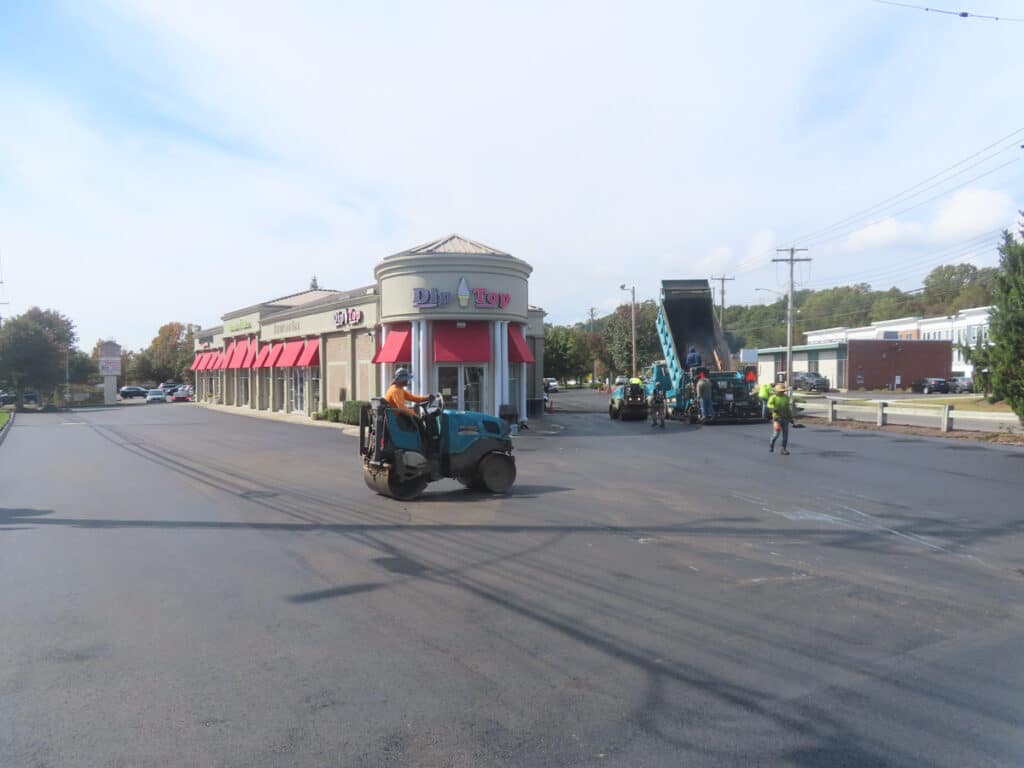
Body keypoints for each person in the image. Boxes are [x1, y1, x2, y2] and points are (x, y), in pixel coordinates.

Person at [767, 382, 793, 455]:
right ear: (776, 391)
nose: (781, 392)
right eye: (780, 391)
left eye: (782, 391)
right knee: (776, 433)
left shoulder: (786, 398)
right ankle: (771, 443)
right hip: (777, 418)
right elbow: (769, 404)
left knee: (785, 435)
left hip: (785, 418)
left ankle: (783, 449)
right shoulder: (773, 397)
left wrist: (791, 418)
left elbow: (788, 408)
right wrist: (773, 408)